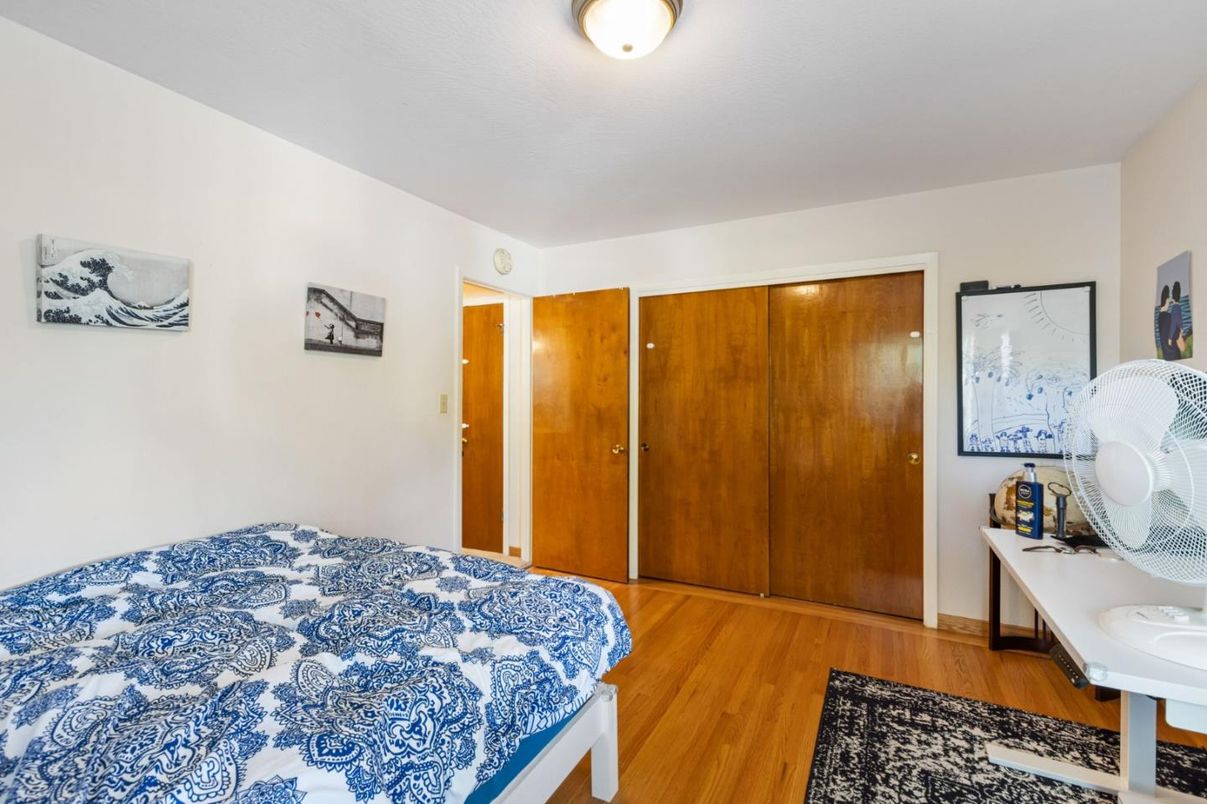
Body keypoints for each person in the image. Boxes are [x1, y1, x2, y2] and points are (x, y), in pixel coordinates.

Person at [1158, 285, 1179, 360]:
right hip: (1173, 352)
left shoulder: (1160, 317)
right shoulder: (1168, 317)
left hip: (1166, 354)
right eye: (1169, 297)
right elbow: (1176, 333)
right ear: (1166, 299)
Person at [1170, 281, 1186, 358]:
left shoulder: (1174, 307)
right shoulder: (1178, 306)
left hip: (1175, 331)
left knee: (1177, 352)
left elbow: (1174, 322)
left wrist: (1170, 337)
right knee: (1180, 350)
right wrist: (1182, 329)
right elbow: (1180, 320)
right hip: (1178, 330)